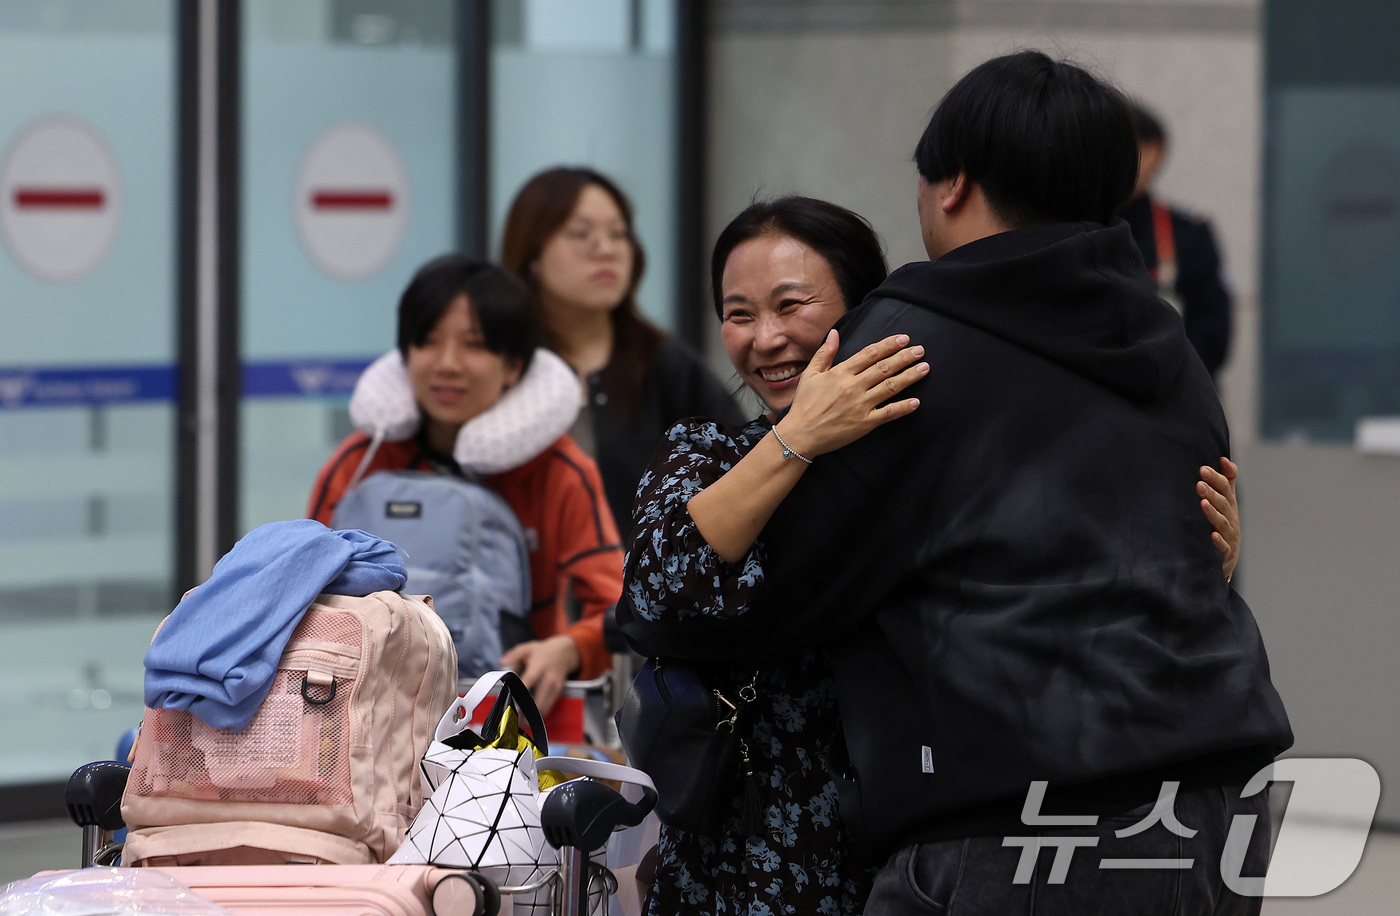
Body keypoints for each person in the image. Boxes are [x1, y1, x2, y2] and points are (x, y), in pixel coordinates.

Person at [620, 195, 1246, 914]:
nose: (766, 338)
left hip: (914, 860)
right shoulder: (704, 453)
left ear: (864, 312)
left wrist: (1201, 562)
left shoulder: (925, 450)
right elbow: (655, 591)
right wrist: (797, 439)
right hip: (735, 865)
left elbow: (1049, 578)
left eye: (791, 305)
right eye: (738, 314)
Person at [308, 255, 622, 713]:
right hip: (365, 711)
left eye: (474, 345)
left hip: (511, 714)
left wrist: (568, 649)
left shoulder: (559, 469)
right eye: (428, 342)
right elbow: (301, 588)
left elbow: (618, 608)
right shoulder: (360, 461)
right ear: (404, 356)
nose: (448, 364)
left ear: (514, 366)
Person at [500, 167, 745, 535]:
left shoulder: (662, 361)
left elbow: (741, 463)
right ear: (531, 254)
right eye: (580, 234)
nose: (606, 250)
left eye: (618, 234)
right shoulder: (503, 364)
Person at [1121, 102, 1233, 378]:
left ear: (1155, 152)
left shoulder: (1188, 235)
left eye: (1124, 146)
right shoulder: (1079, 231)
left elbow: (1212, 332)